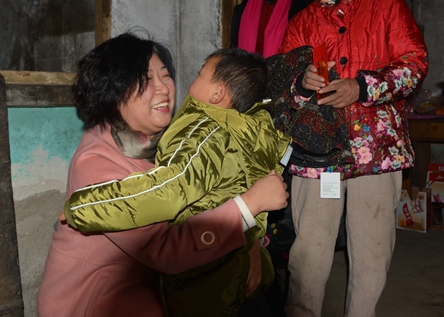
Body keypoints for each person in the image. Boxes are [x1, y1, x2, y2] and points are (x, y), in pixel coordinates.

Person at [37, 33, 289, 317]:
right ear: (114, 91)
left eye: (166, 76)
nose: (164, 88)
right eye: (146, 80)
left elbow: (221, 191)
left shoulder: (174, 139)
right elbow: (168, 249)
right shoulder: (96, 161)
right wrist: (249, 206)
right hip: (97, 306)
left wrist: (250, 244)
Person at [278, 0, 429, 317]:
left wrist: (363, 87)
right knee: (309, 251)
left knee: (371, 250)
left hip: (375, 151)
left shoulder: (387, 4)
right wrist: (301, 83)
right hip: (319, 154)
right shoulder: (301, 22)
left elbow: (414, 65)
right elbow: (282, 86)